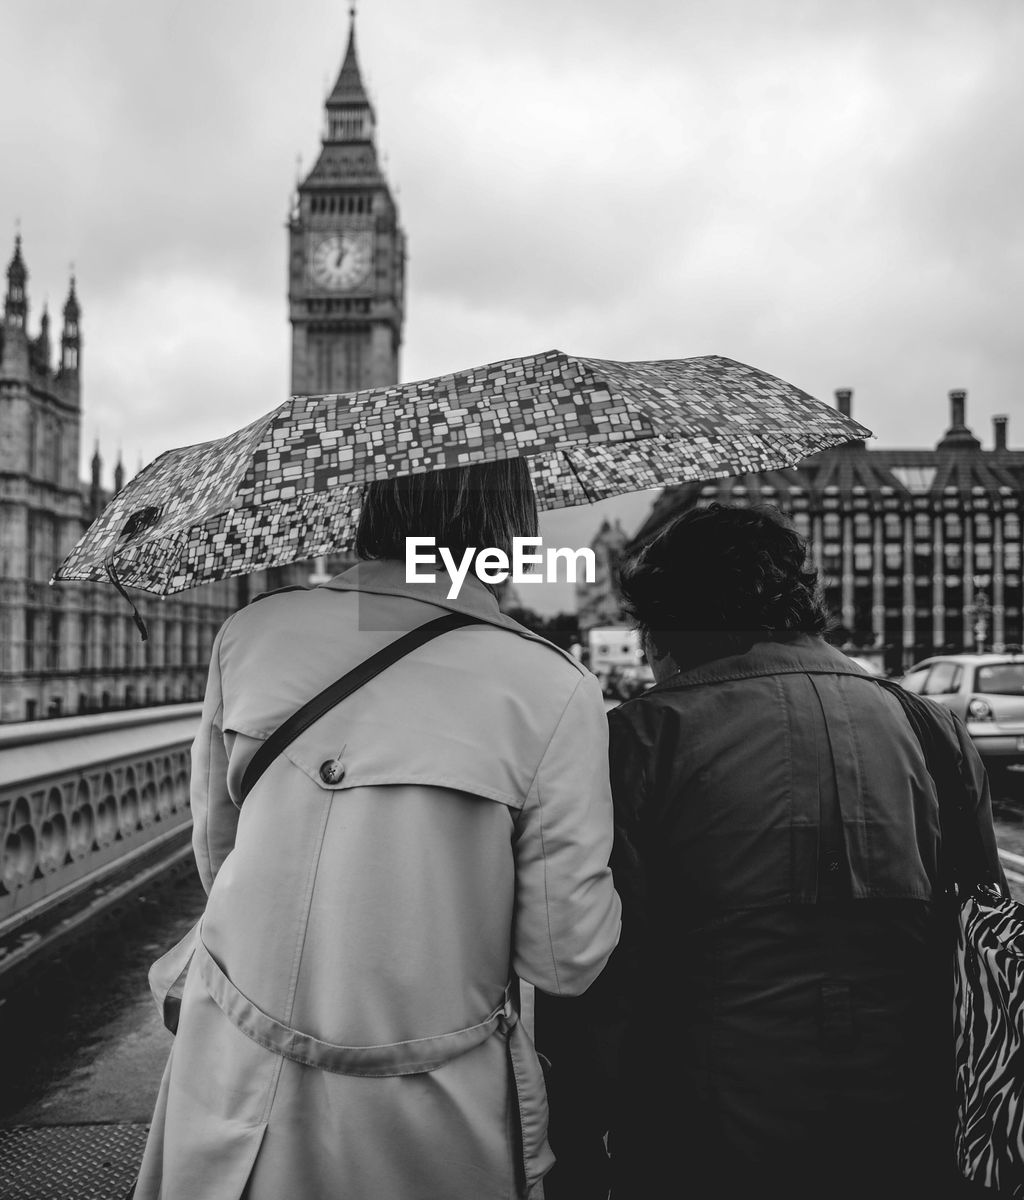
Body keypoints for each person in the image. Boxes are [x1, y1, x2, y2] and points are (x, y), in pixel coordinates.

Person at [134, 457, 621, 1200]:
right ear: (506, 532)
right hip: (424, 1117)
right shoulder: (553, 685)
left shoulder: (254, 631)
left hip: (230, 1075)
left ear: (371, 510)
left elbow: (220, 859)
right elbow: (564, 958)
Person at [537, 500, 1007, 1200]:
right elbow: (986, 931)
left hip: (699, 1136)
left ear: (671, 621)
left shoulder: (638, 741)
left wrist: (574, 1144)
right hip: (912, 1124)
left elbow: (598, 971)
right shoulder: (928, 726)